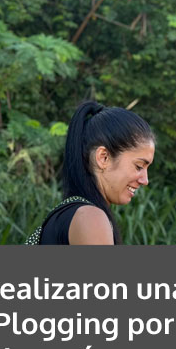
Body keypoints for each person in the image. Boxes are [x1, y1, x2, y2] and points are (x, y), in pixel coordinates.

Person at [34, 101, 156, 245]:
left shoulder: (69, 215)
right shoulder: (90, 218)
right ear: (103, 158)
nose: (145, 180)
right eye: (139, 166)